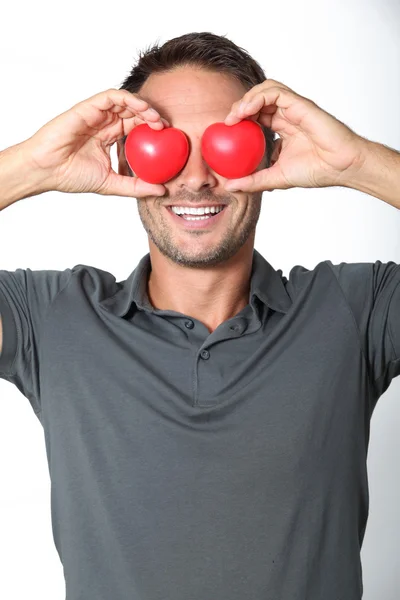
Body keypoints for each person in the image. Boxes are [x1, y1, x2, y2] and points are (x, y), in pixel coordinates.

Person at [0, 31, 399, 600]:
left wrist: (357, 161)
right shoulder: (50, 320)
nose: (194, 179)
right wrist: (29, 167)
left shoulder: (357, 309)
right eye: (168, 147)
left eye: (220, 145)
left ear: (268, 152)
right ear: (123, 158)